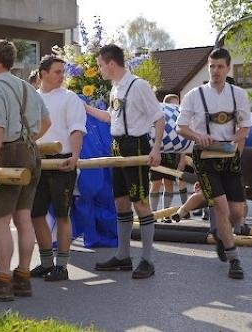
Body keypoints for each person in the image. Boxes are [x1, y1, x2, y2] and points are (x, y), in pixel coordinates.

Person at [0, 39, 51, 302]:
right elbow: (46, 122)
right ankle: (23, 278)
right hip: (31, 153)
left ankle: (2, 282)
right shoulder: (28, 88)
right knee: (24, 218)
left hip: (9, 153)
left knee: (1, 220)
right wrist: (29, 139)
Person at [85, 44, 164, 279]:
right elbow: (111, 118)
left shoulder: (138, 85)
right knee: (120, 202)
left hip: (136, 146)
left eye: (100, 65)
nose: (99, 70)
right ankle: (123, 255)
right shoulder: (115, 87)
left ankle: (148, 260)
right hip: (117, 146)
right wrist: (85, 108)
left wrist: (157, 147)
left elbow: (158, 118)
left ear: (111, 63)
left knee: (140, 202)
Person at [176, 47, 251, 279]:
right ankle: (234, 258)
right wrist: (197, 136)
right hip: (205, 157)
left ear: (228, 68)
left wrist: (232, 141)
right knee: (221, 207)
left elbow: (245, 128)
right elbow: (181, 126)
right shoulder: (194, 95)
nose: (215, 71)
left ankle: (221, 234)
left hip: (229, 157)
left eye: (220, 66)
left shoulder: (238, 94)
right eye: (212, 66)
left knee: (237, 212)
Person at [30, 55, 86, 281]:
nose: (62, 76)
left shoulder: (69, 98)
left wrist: (74, 156)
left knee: (63, 214)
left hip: (62, 161)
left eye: (63, 72)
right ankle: (45, 263)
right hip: (38, 161)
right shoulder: (32, 98)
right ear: (43, 74)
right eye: (57, 72)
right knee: (36, 214)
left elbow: (76, 129)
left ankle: (61, 266)